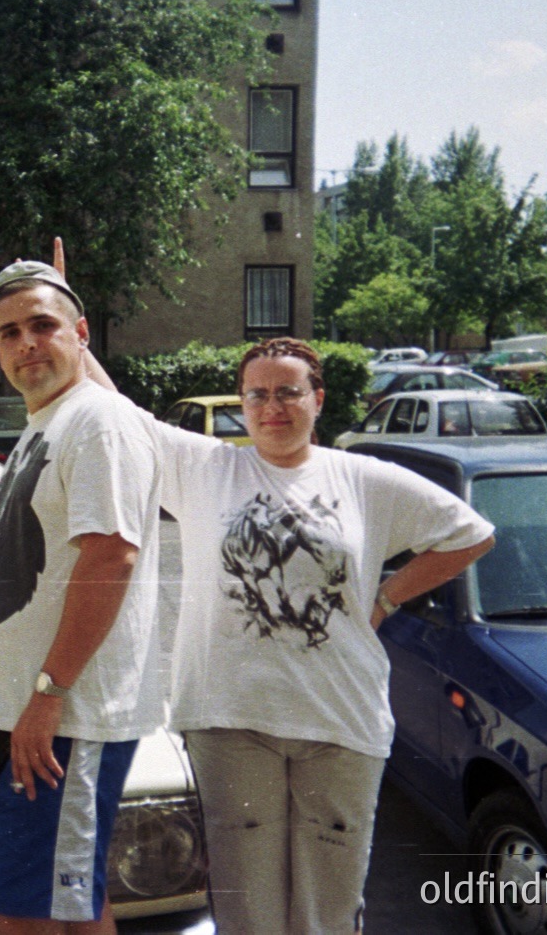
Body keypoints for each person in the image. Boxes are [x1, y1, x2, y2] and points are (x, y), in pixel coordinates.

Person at [95, 332, 494, 935]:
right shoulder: (205, 468)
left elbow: (471, 534)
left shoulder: (365, 479)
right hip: (230, 720)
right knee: (246, 912)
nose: (271, 407)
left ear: (318, 399)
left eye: (288, 392)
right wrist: (69, 323)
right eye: (256, 395)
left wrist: (385, 598)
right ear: (241, 404)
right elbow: (120, 413)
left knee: (327, 914)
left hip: (339, 723)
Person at [0, 260, 163, 934]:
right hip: (14, 714)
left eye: (42, 325)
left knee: (30, 913)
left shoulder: (97, 422)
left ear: (81, 333)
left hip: (60, 719)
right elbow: (2, 533)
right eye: (8, 332)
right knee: (60, 902)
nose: (25, 343)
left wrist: (47, 692)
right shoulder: (46, 424)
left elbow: (110, 554)